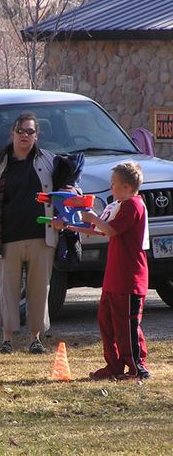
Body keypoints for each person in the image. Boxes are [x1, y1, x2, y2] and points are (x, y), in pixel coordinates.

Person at [0, 112, 71, 354]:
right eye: (20, 131)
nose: (25, 136)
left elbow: (68, 190)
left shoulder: (50, 162)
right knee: (7, 292)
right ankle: (7, 340)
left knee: (39, 291)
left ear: (36, 136)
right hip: (6, 239)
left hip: (41, 238)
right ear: (12, 134)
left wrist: (69, 207)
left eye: (30, 132)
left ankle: (36, 339)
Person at [77, 162, 151, 380]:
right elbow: (101, 230)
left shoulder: (133, 206)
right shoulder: (119, 205)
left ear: (128, 187)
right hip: (113, 278)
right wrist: (69, 226)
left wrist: (93, 218)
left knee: (126, 326)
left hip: (129, 279)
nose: (111, 188)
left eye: (114, 184)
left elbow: (111, 229)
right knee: (107, 322)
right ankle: (114, 365)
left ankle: (138, 368)